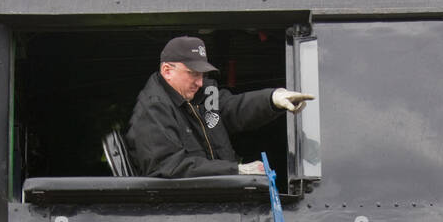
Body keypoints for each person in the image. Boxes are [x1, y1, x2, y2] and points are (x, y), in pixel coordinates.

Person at [125, 36, 314, 179]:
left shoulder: (203, 93)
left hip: (221, 195)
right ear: (167, 71)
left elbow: (232, 109)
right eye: (192, 74)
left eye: (202, 75)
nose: (199, 82)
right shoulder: (153, 110)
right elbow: (169, 167)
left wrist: (272, 99)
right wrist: (236, 170)